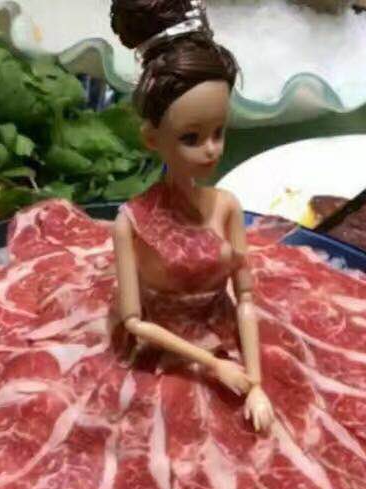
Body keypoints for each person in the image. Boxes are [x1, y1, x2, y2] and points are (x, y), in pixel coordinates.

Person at [111, 0, 275, 431]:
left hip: (225, 339)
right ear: (152, 138)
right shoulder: (131, 221)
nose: (212, 150)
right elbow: (134, 322)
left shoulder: (228, 206)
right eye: (191, 138)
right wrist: (213, 366)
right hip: (159, 358)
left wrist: (256, 383)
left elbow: (246, 298)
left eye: (219, 132)